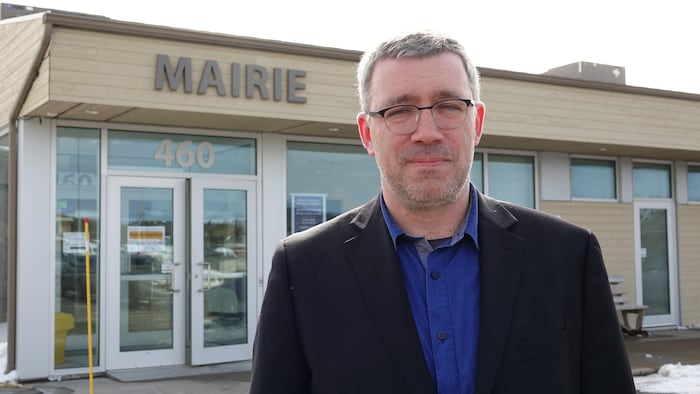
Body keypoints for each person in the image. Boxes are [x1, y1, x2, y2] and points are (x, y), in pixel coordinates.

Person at [249, 31, 636, 394]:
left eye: (449, 106)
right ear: (368, 134)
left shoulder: (568, 254)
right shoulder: (302, 267)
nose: (427, 132)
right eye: (400, 110)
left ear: (477, 122)